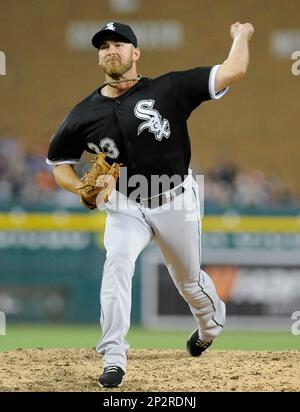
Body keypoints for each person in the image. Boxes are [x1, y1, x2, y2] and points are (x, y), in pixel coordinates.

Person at [47, 21, 254, 388]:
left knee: (188, 282)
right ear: (99, 57)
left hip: (175, 199)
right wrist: (81, 186)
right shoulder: (83, 114)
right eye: (104, 46)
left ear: (135, 53)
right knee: (117, 264)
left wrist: (241, 36)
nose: (111, 50)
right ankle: (113, 357)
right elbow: (58, 163)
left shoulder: (169, 88)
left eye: (119, 44)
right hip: (125, 205)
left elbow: (234, 71)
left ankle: (210, 325)